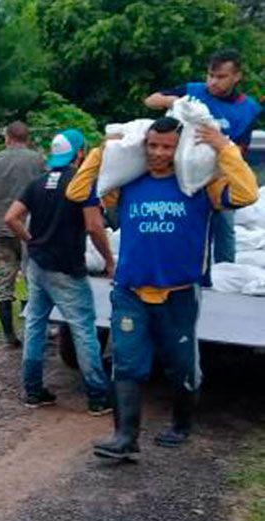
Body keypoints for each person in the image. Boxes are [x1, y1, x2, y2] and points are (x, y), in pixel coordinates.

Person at [66, 116, 258, 460]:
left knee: (181, 366)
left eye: (167, 147)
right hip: (130, 292)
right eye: (152, 145)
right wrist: (103, 151)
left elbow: (245, 193)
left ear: (179, 148)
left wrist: (223, 147)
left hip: (179, 294)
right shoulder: (128, 183)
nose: (158, 153)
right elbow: (77, 192)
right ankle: (125, 437)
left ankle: (181, 425)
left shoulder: (199, 185)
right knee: (126, 363)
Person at [3, 129, 115, 413]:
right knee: (83, 329)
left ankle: (33, 391)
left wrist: (31, 240)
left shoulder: (37, 183)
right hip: (66, 268)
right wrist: (109, 260)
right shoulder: (81, 184)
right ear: (79, 154)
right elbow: (93, 225)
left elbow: (11, 218)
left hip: (37, 265)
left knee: (35, 325)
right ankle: (98, 397)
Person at [145, 48, 262, 264]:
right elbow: (151, 100)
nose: (213, 82)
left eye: (221, 77)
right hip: (182, 174)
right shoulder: (193, 91)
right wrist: (172, 102)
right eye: (210, 75)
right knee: (181, 224)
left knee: (224, 227)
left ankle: (225, 272)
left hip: (218, 177)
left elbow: (242, 149)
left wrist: (220, 146)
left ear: (237, 77)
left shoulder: (249, 109)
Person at [0, 121, 45, 347]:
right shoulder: (38, 161)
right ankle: (34, 331)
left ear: (7, 138)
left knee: (3, 280)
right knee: (32, 278)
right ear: (28, 138)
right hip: (29, 229)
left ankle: (8, 335)